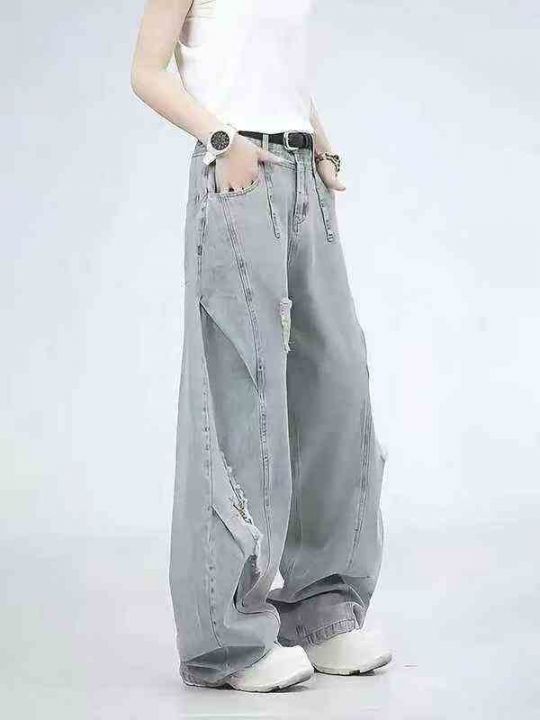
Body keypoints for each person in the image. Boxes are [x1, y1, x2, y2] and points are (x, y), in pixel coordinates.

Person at [131, 0, 391, 693]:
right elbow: (146, 72)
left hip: (304, 176)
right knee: (243, 397)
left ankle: (321, 609)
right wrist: (222, 140)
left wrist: (323, 145)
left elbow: (281, 74)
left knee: (337, 384)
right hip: (237, 173)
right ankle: (227, 637)